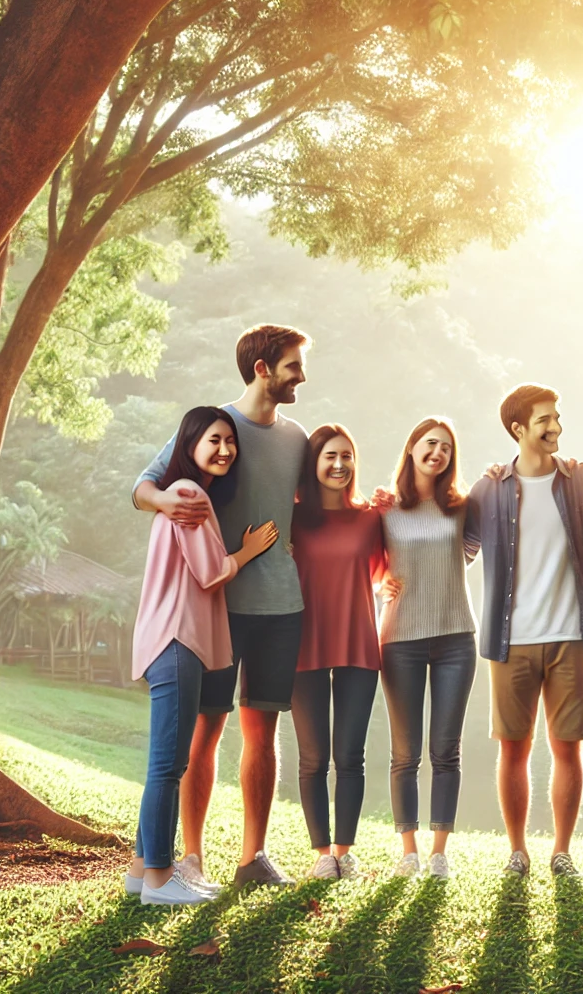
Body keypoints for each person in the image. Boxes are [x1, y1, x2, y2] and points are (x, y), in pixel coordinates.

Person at [132, 324, 308, 889]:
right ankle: (190, 860)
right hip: (217, 608)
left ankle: (252, 859)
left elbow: (320, 500)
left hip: (280, 606)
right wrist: (164, 499)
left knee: (264, 730)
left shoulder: (297, 438)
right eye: (293, 365)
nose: (300, 375)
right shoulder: (215, 428)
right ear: (263, 368)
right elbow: (145, 483)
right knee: (203, 732)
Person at [125, 406, 279, 905]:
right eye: (214, 440)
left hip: (172, 638)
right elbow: (211, 572)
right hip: (178, 639)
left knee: (165, 761)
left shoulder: (186, 496)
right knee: (168, 765)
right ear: (189, 442)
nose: (225, 450)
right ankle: (159, 880)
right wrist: (248, 550)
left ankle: (138, 871)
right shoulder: (190, 495)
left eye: (230, 442)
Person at [466, 384, 583, 878]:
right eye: (545, 420)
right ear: (518, 429)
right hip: (510, 641)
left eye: (557, 417)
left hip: (572, 635)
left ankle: (561, 851)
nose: (556, 427)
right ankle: (517, 851)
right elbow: (456, 547)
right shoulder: (488, 489)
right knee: (514, 747)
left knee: (568, 746)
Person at [378, 417, 478, 880]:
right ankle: (409, 852)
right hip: (399, 641)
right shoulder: (383, 509)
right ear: (412, 447)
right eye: (429, 443)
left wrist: (497, 474)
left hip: (456, 638)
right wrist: (381, 584)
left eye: (445, 447)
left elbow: (492, 534)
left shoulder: (461, 508)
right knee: (405, 753)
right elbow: (365, 562)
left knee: (446, 750)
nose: (437, 452)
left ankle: (438, 854)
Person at [291, 424, 387, 881]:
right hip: (302, 645)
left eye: (347, 456)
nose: (339, 464)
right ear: (314, 463)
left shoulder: (371, 518)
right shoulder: (292, 516)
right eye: (330, 456)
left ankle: (345, 852)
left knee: (350, 755)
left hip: (358, 645)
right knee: (313, 758)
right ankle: (321, 854)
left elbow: (390, 568)